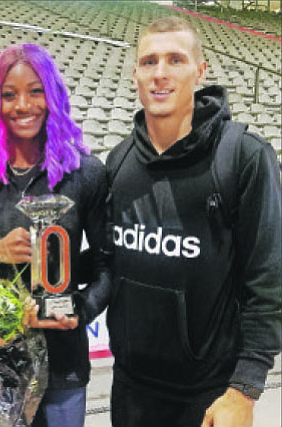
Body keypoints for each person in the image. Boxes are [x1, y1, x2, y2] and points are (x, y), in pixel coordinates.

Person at [105, 17, 281, 427]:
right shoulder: (119, 162)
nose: (160, 73)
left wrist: (245, 390)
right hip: (130, 391)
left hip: (209, 396)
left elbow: (267, 284)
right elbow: (106, 264)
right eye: (148, 61)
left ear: (200, 71)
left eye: (175, 59)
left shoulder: (244, 156)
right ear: (135, 74)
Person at [0, 44, 110, 427]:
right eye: (9, 94)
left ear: (53, 96)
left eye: (36, 91)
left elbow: (107, 264)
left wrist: (80, 311)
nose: (23, 105)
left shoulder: (86, 173)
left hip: (64, 363)